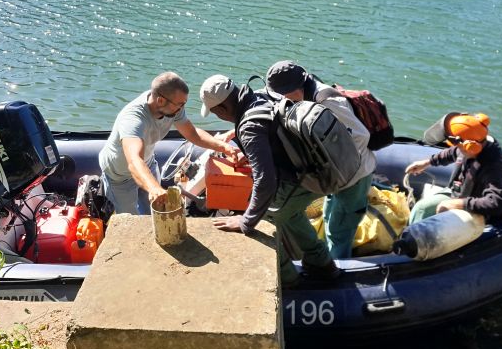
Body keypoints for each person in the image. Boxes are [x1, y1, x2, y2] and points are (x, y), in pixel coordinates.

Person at [199, 74, 340, 288]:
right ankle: (322, 264)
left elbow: (265, 182)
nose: (218, 116)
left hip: (296, 181)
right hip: (315, 173)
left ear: (223, 108)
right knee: (289, 213)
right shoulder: (260, 97)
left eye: (216, 112)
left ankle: (288, 281)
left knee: (263, 222)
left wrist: (246, 222)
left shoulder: (249, 127)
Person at [265, 61, 376, 259]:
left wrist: (330, 158)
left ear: (295, 88)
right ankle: (329, 257)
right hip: (335, 175)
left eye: (283, 93)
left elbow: (361, 136)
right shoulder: (303, 93)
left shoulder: (329, 101)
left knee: (340, 230)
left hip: (355, 174)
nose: (281, 98)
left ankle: (337, 270)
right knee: (329, 216)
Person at [98, 71, 239, 215]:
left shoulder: (172, 107)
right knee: (130, 219)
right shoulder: (133, 120)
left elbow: (192, 133)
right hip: (119, 176)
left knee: (153, 212)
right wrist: (154, 188)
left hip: (148, 163)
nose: (181, 109)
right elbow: (134, 161)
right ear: (160, 100)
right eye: (179, 104)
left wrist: (224, 147)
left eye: (184, 104)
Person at [404, 112, 502, 224]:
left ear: (471, 147)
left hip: (480, 213)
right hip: (459, 195)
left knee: (442, 221)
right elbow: (452, 152)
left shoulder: (494, 166)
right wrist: (427, 162)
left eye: (459, 147)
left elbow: (496, 203)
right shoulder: (471, 145)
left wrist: (459, 204)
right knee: (421, 208)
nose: (457, 149)